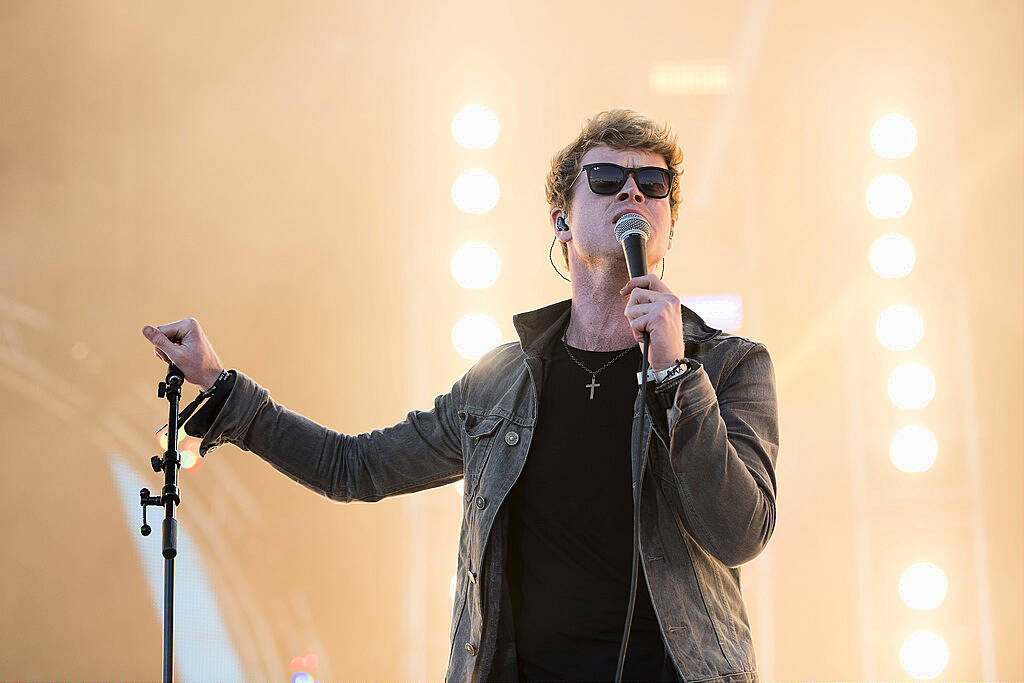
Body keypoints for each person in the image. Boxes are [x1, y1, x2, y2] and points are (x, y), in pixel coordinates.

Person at [141, 108, 780, 683]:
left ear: (669, 221)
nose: (633, 191)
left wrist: (674, 378)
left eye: (653, 184)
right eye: (607, 180)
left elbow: (741, 532)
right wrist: (225, 389)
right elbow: (355, 467)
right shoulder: (500, 384)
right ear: (561, 219)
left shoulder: (728, 368)